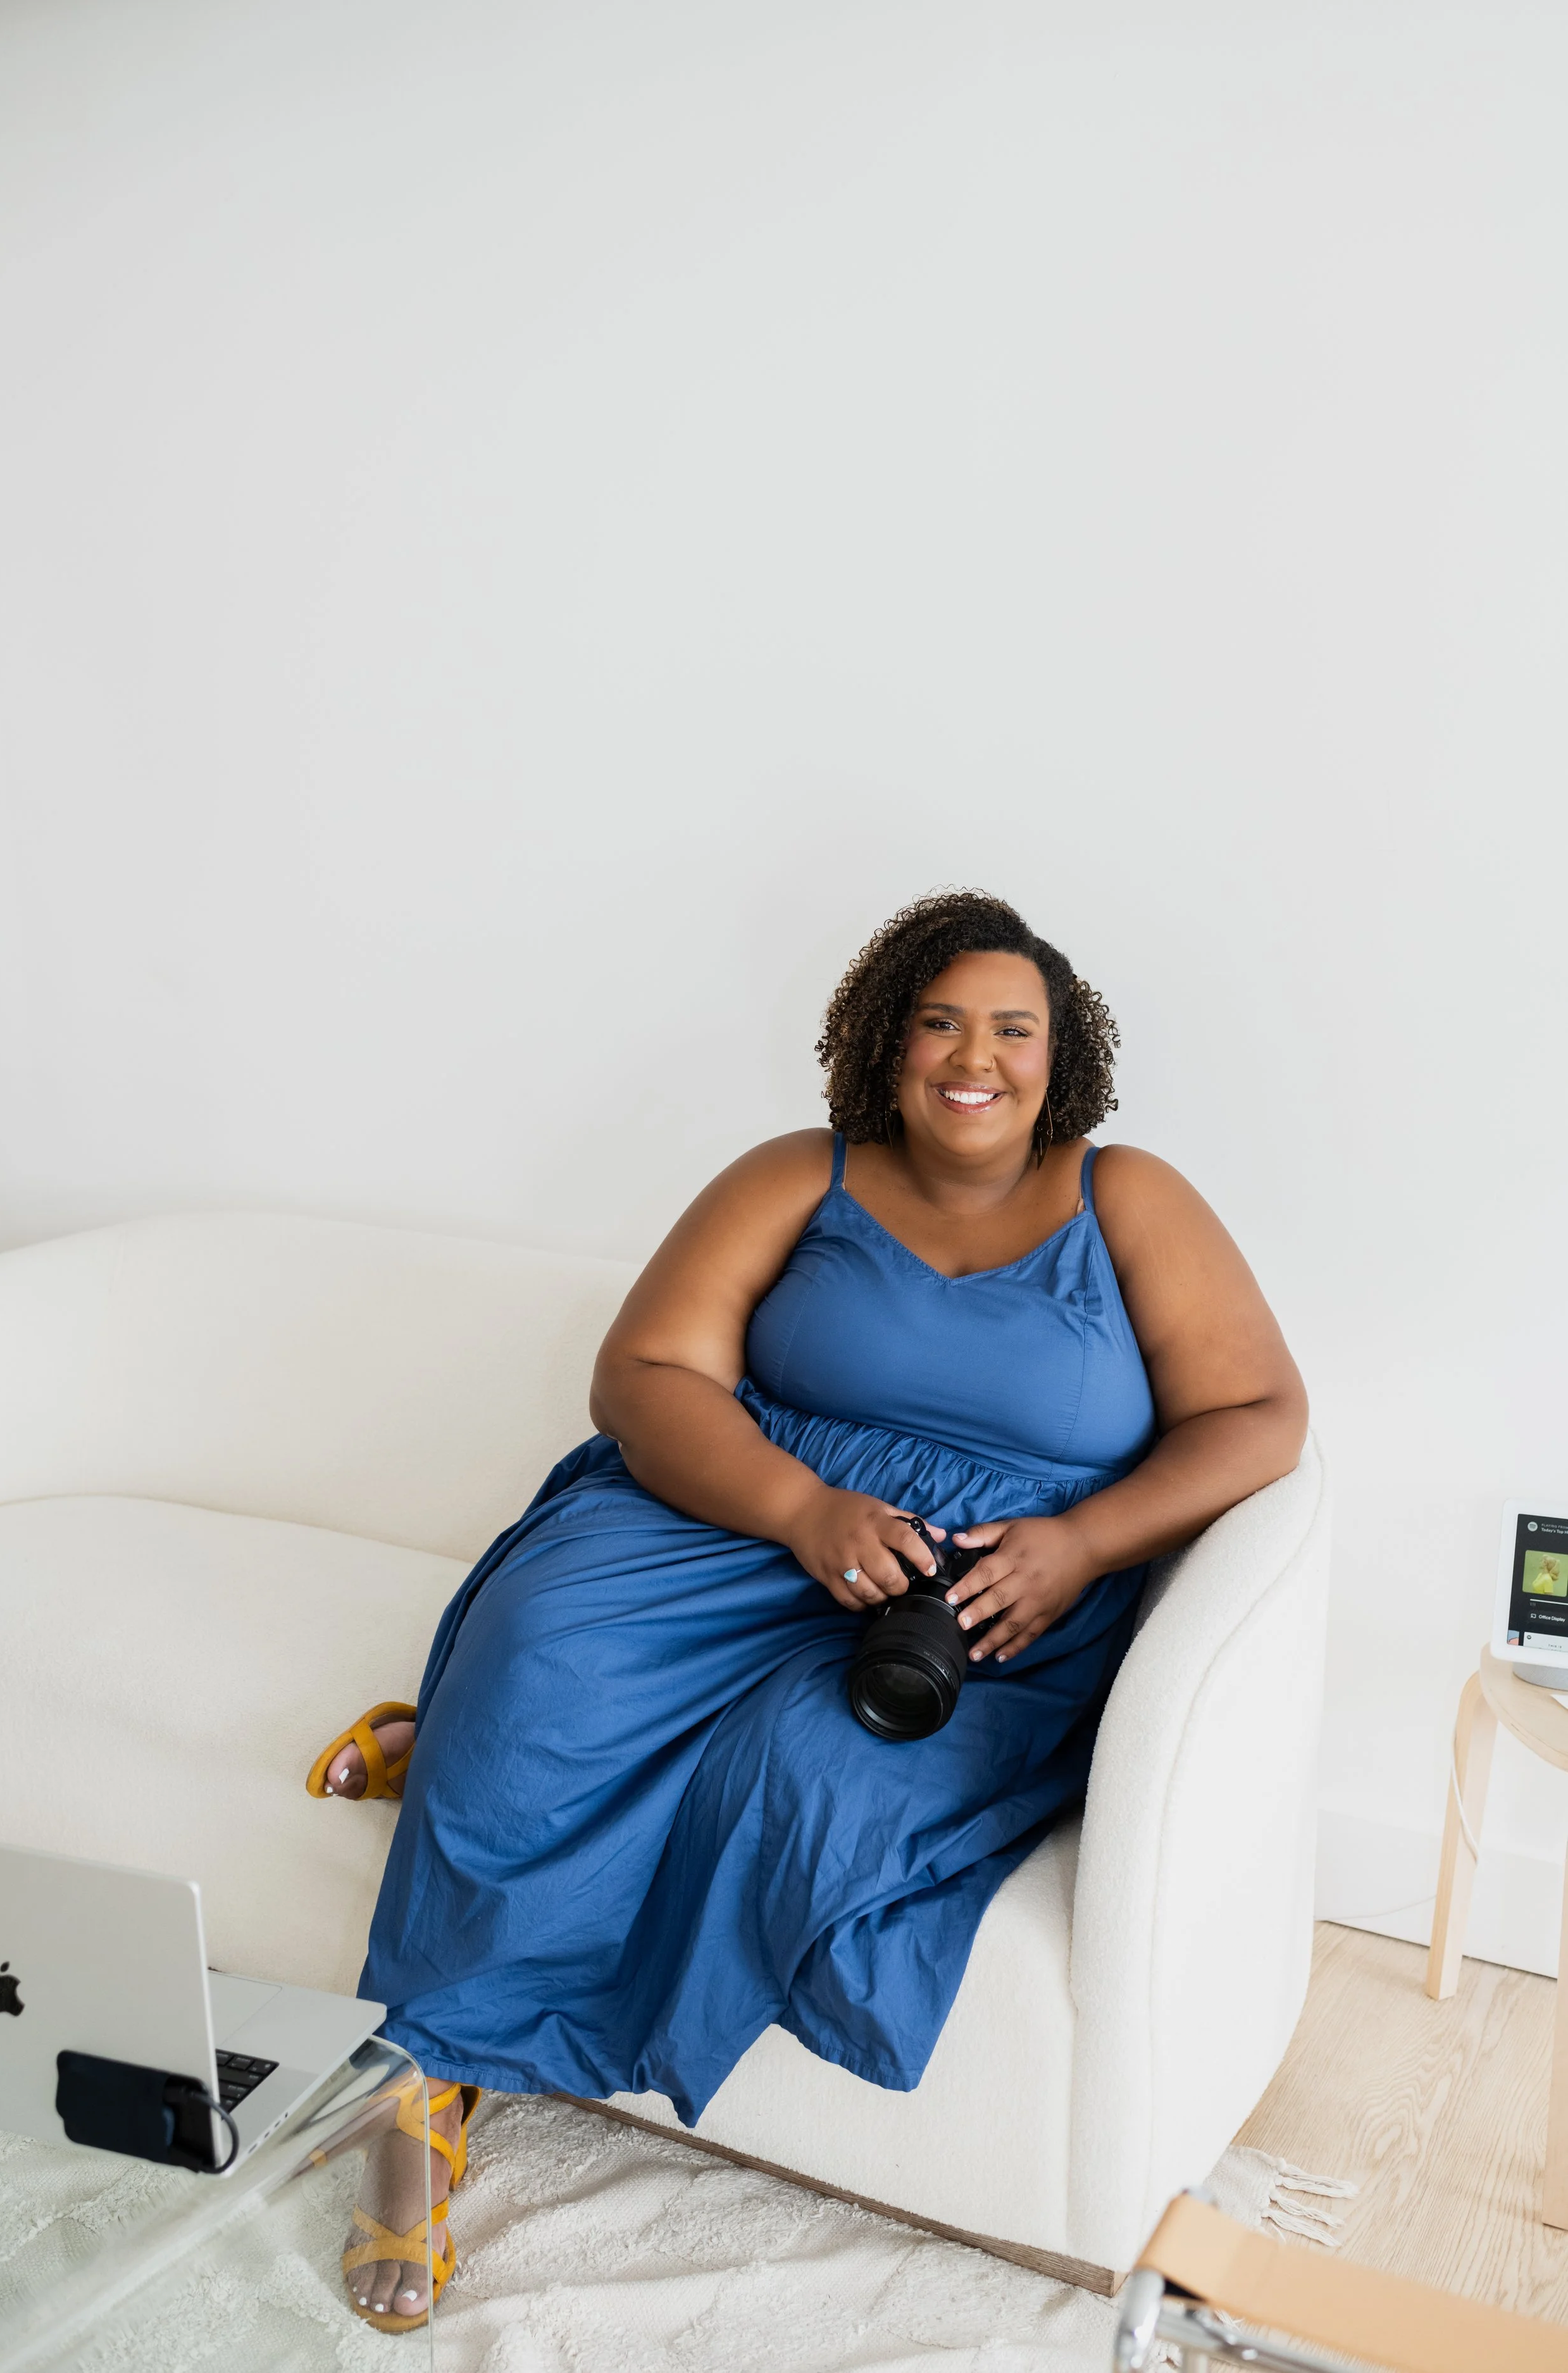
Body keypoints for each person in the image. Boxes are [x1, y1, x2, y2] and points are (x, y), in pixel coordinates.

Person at [309, 888, 1308, 2329]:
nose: (975, 1057)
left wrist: (1081, 1545)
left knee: (806, 1775)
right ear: (883, 1040)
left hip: (986, 1591)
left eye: (1011, 1028)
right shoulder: (799, 1173)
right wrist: (796, 1509)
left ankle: (448, 1760)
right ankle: (425, 2078)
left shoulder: (1126, 1198)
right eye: (939, 1021)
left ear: (1060, 1052)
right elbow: (644, 1375)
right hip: (742, 1520)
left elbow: (1258, 1413)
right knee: (545, 1672)